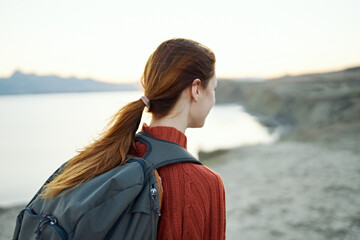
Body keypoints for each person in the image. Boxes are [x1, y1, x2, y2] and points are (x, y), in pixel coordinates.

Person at [42, 38, 226, 239]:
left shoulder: (107, 158)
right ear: (196, 89)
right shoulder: (205, 183)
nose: (214, 99)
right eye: (214, 88)